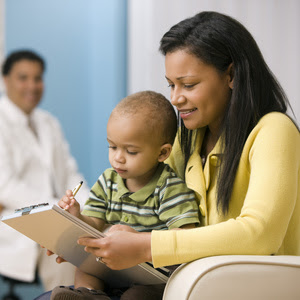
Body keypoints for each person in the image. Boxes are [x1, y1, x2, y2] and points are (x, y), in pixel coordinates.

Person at [35, 11, 300, 300]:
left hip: (245, 286)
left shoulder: (274, 130)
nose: (175, 98)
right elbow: (142, 204)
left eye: (188, 85)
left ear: (231, 75)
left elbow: (259, 234)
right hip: (189, 284)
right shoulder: (186, 141)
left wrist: (145, 245)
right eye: (171, 85)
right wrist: (83, 233)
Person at [49, 90, 200, 300]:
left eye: (131, 151)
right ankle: (90, 295)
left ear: (162, 153)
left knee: (137, 296)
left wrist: (137, 240)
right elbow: (94, 223)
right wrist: (77, 216)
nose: (118, 158)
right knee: (85, 269)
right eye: (112, 146)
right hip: (114, 267)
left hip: (153, 277)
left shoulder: (170, 189)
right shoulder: (108, 181)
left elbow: (185, 240)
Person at [0, 50, 90, 291]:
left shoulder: (48, 122)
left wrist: (91, 206)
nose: (32, 85)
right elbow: (5, 186)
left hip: (56, 213)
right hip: (15, 219)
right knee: (63, 247)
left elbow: (70, 174)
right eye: (23, 77)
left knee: (100, 234)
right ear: (5, 80)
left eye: (38, 78)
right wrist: (56, 208)